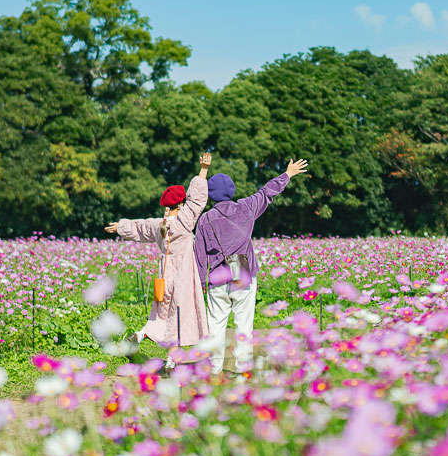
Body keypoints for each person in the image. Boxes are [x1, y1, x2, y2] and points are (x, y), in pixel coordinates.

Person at [194, 158, 308, 374]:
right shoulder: (246, 208)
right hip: (243, 277)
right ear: (232, 191)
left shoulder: (204, 220)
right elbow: (266, 192)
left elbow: (199, 257)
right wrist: (288, 174)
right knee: (243, 327)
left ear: (211, 195)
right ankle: (242, 372)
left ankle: (214, 371)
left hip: (217, 281)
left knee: (215, 328)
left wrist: (201, 284)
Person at [105, 153, 212, 348]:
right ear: (181, 204)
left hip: (163, 278)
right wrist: (204, 168)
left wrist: (119, 227)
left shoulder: (159, 225)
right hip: (183, 276)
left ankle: (142, 333)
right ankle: (172, 361)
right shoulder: (185, 222)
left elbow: (139, 227)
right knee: (179, 316)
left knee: (161, 314)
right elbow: (196, 200)